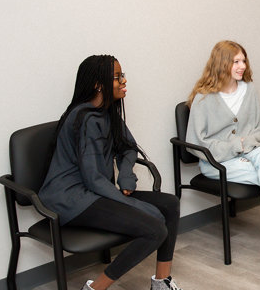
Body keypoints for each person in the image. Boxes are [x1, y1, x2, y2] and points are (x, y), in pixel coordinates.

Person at [39, 55, 182, 290]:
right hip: (71, 200)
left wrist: (126, 174)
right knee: (154, 229)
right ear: (98, 84)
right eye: (117, 77)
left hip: (94, 192)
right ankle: (95, 288)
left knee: (170, 204)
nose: (124, 81)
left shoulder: (106, 113)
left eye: (122, 75)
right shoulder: (85, 119)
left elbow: (128, 148)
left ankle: (161, 282)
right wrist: (137, 206)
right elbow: (93, 179)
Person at [185, 40, 260, 269]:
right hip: (216, 163)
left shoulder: (249, 90)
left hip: (249, 152)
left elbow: (258, 127)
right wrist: (235, 145)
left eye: (243, 60)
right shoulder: (203, 98)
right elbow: (195, 143)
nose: (242, 65)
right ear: (222, 64)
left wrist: (243, 144)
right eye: (236, 61)